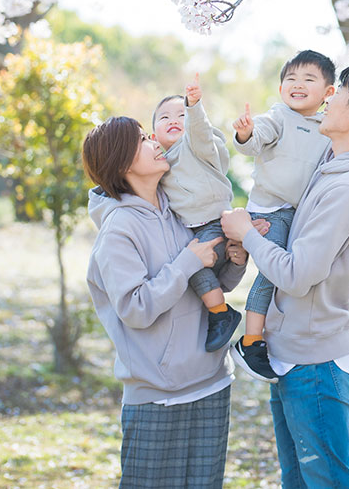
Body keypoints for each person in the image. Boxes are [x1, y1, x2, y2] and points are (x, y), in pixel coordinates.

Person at [222, 55, 349, 489]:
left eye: (339, 93)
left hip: (316, 361)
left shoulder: (348, 187)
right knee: (298, 481)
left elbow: (297, 274)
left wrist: (245, 235)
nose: (328, 100)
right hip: (291, 354)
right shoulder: (331, 167)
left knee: (324, 482)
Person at [83, 115, 247, 489]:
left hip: (212, 383)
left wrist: (236, 261)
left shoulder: (180, 211)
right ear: (121, 162)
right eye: (142, 139)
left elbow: (209, 287)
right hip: (156, 396)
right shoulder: (119, 229)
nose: (155, 140)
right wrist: (188, 260)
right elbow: (136, 309)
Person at [230, 49, 336, 382]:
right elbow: (255, 140)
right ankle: (250, 343)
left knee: (294, 275)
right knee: (274, 273)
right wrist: (246, 132)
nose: (297, 84)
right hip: (270, 210)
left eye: (308, 79)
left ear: (328, 93)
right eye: (290, 79)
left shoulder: (326, 129)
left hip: (297, 214)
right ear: (280, 89)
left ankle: (274, 333)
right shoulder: (278, 117)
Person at [152, 73, 241, 352]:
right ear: (153, 136)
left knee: (192, 267)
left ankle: (221, 314)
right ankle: (218, 305)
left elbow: (201, 133)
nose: (174, 120)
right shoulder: (159, 165)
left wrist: (194, 107)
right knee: (193, 267)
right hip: (194, 229)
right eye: (164, 118)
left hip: (215, 222)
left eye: (180, 115)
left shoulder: (195, 147)